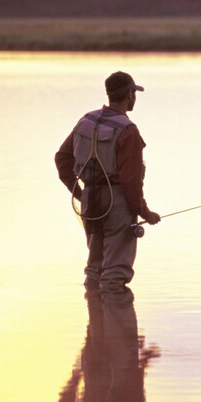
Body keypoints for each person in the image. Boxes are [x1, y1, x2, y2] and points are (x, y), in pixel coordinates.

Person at [55, 71, 161, 291]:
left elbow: (62, 159)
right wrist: (145, 213)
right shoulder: (128, 131)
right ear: (130, 95)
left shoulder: (86, 121)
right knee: (115, 273)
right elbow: (131, 182)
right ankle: (115, 322)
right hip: (118, 205)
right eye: (134, 92)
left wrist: (80, 194)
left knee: (94, 268)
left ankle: (94, 320)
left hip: (90, 201)